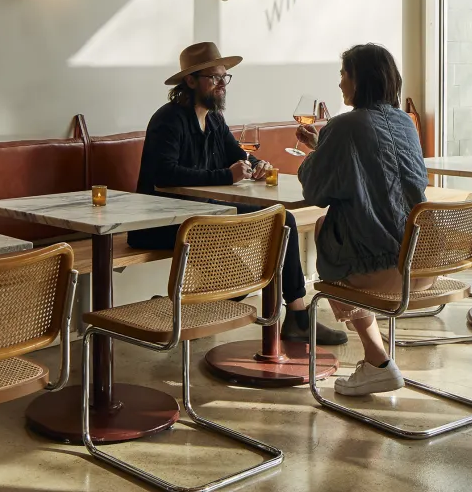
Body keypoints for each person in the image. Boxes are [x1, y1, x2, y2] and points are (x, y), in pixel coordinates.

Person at [129, 41, 348, 347]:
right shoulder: (168, 120)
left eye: (224, 78)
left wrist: (258, 164)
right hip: (162, 223)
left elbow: (238, 155)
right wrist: (225, 175)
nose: (222, 85)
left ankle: (296, 317)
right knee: (262, 249)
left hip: (204, 215)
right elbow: (163, 175)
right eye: (214, 78)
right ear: (190, 81)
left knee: (282, 219)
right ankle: (183, 307)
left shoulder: (214, 120)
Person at [297, 43, 430, 396]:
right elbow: (371, 170)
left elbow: (315, 191)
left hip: (385, 269)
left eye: (344, 74)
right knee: (348, 231)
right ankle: (377, 360)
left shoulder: (344, 127)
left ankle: (376, 359)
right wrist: (324, 147)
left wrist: (318, 151)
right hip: (427, 262)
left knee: (328, 230)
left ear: (360, 79)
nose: (340, 83)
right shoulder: (405, 122)